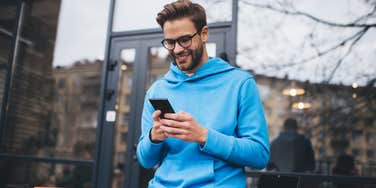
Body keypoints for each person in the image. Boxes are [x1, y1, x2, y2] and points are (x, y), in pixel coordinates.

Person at [136, 0, 270, 187]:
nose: (177, 49)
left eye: (184, 40)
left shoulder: (240, 84)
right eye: (170, 42)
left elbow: (259, 155)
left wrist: (204, 136)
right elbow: (145, 160)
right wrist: (153, 138)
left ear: (204, 34)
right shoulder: (157, 90)